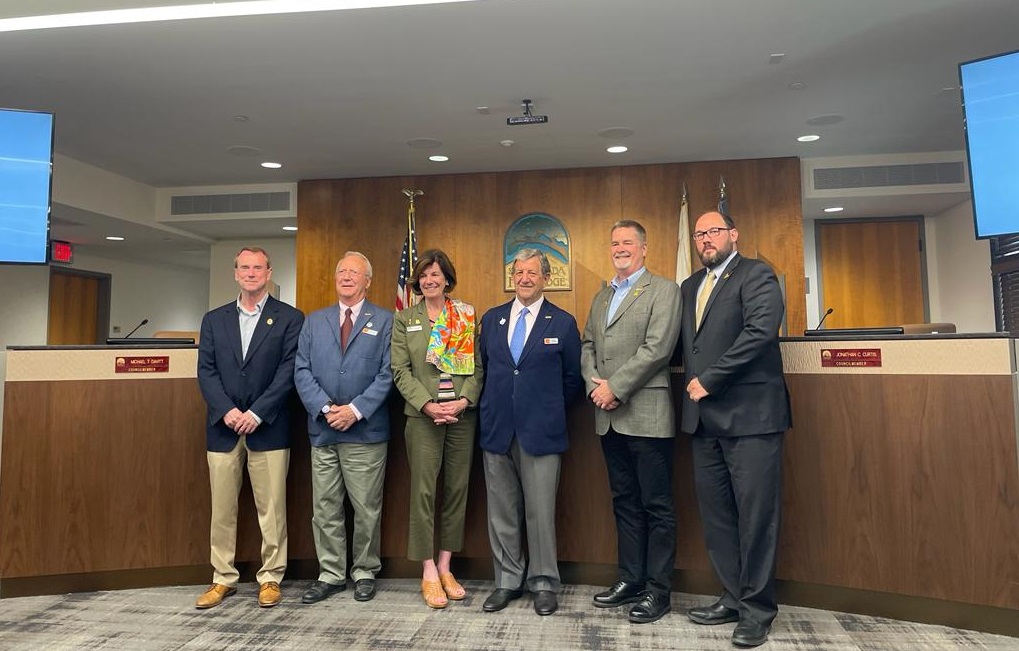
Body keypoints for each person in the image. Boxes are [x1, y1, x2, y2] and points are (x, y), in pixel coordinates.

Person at [677, 211, 791, 648]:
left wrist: (710, 379)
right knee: (718, 517)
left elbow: (761, 332)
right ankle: (732, 596)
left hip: (752, 419)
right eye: (700, 233)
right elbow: (688, 345)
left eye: (713, 232)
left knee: (757, 517)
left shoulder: (758, 274)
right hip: (703, 422)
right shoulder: (690, 287)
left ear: (733, 235)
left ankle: (758, 609)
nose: (706, 239)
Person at [580, 220, 682, 624]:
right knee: (624, 503)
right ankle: (631, 579)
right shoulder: (602, 296)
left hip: (646, 415)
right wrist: (595, 384)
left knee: (656, 505)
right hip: (607, 417)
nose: (620, 248)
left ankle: (659, 591)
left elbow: (658, 349)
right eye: (615, 243)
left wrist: (615, 388)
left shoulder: (664, 290)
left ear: (644, 248)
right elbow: (588, 344)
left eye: (628, 242)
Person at [195, 246, 304, 609]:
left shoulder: (289, 318)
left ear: (269, 272)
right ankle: (222, 577)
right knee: (222, 508)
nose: (251, 273)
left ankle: (271, 577)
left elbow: (287, 371)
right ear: (235, 273)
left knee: (272, 508)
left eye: (258, 267)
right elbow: (206, 372)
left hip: (268, 426)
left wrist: (256, 413)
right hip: (223, 428)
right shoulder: (214, 319)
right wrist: (227, 410)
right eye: (245, 267)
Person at [476, 249, 583, 616]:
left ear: (545, 278)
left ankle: (543, 583)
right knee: (502, 511)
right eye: (518, 272)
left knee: (540, 513)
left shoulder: (563, 323)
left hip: (542, 431)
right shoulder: (492, 320)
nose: (524, 278)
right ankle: (507, 580)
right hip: (497, 429)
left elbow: (573, 380)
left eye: (532, 272)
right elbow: (486, 371)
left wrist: (546, 408)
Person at [294, 251, 393, 605]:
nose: (346, 276)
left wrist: (354, 410)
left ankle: (365, 570)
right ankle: (331, 573)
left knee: (366, 507)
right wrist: (324, 408)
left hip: (364, 431)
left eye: (354, 272)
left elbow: (388, 374)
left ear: (368, 280)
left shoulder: (385, 320)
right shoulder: (314, 321)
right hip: (323, 430)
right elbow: (301, 370)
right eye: (341, 271)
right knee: (325, 507)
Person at [391, 249, 482, 609]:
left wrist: (462, 401)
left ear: (447, 278)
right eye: (424, 275)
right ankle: (428, 570)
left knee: (457, 491)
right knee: (424, 492)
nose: (429, 280)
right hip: (422, 416)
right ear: (417, 281)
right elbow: (400, 370)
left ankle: (446, 565)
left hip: (461, 415)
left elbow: (478, 367)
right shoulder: (405, 319)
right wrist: (427, 405)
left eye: (436, 274)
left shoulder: (465, 314)